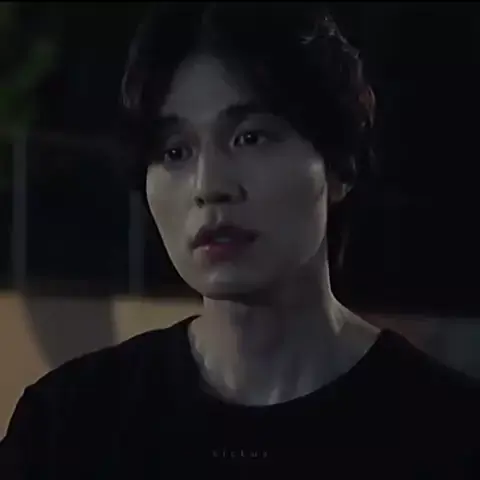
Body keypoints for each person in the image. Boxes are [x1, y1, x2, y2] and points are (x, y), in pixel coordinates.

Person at [1, 3, 479, 478]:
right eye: (175, 151)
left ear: (339, 166)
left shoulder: (451, 433)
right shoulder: (67, 426)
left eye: (251, 137)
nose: (210, 185)